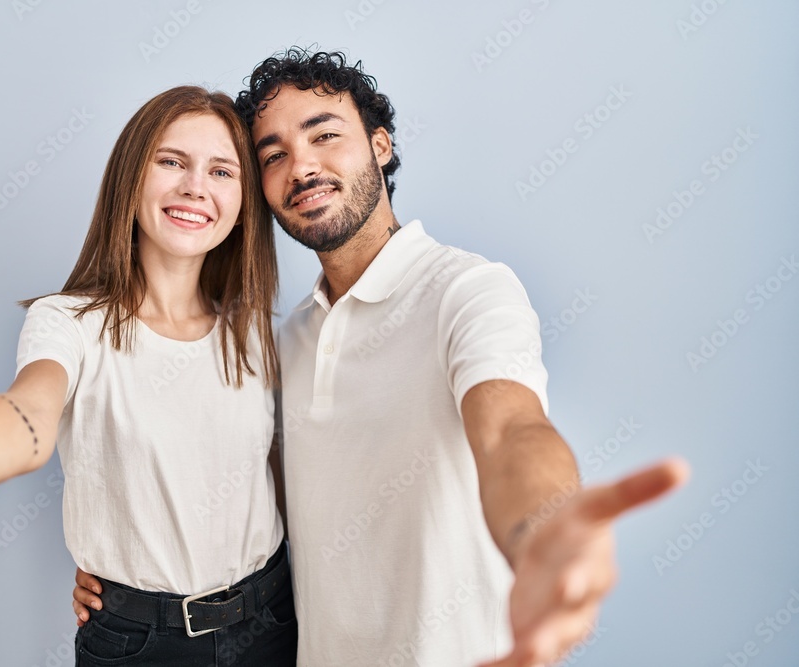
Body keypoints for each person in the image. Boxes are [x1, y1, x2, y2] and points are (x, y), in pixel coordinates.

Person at [71, 50, 690, 667]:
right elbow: (245, 494)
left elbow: (510, 429)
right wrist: (137, 583)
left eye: (324, 136)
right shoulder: (284, 341)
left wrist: (539, 533)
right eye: (274, 154)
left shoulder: (468, 290)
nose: (302, 166)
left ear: (381, 145)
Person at [0, 85, 298, 666]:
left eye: (221, 171)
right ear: (131, 177)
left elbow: (272, 479)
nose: (194, 186)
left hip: (272, 619)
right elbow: (28, 414)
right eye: (171, 161)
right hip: (139, 643)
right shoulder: (69, 323)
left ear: (244, 201)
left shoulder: (252, 331)